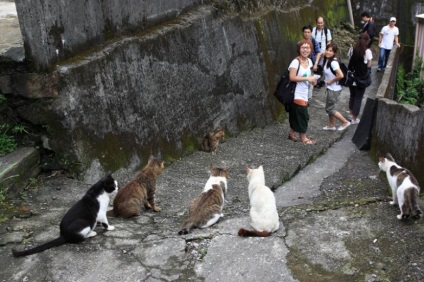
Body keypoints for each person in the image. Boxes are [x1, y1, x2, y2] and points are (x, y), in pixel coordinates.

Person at [287, 39, 318, 145]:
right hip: (296, 93)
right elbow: (292, 77)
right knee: (303, 115)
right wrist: (307, 79)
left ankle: (292, 133)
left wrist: (312, 81)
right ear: (299, 49)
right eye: (303, 47)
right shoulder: (295, 62)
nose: (305, 50)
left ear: (311, 49)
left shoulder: (309, 61)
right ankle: (303, 138)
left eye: (308, 47)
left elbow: (308, 76)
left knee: (296, 114)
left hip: (305, 92)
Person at [321, 43, 351, 131]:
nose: (328, 52)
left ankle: (345, 122)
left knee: (329, 109)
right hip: (331, 88)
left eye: (331, 51)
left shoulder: (333, 62)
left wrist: (331, 81)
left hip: (334, 89)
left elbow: (341, 75)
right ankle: (331, 125)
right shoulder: (328, 59)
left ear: (334, 53)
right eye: (327, 50)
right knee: (330, 108)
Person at [347, 33, 373, 125]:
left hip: (352, 77)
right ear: (367, 40)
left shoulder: (351, 49)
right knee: (358, 98)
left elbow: (350, 61)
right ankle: (354, 119)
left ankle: (350, 114)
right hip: (361, 78)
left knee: (352, 95)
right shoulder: (367, 51)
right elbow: (369, 65)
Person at [298, 25, 322, 95]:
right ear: (303, 33)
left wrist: (316, 64)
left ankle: (308, 97)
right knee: (304, 80)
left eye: (308, 32)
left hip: (311, 65)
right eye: (305, 32)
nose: (307, 34)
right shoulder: (300, 43)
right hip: (303, 65)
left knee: (311, 82)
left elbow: (318, 53)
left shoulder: (314, 42)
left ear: (311, 33)